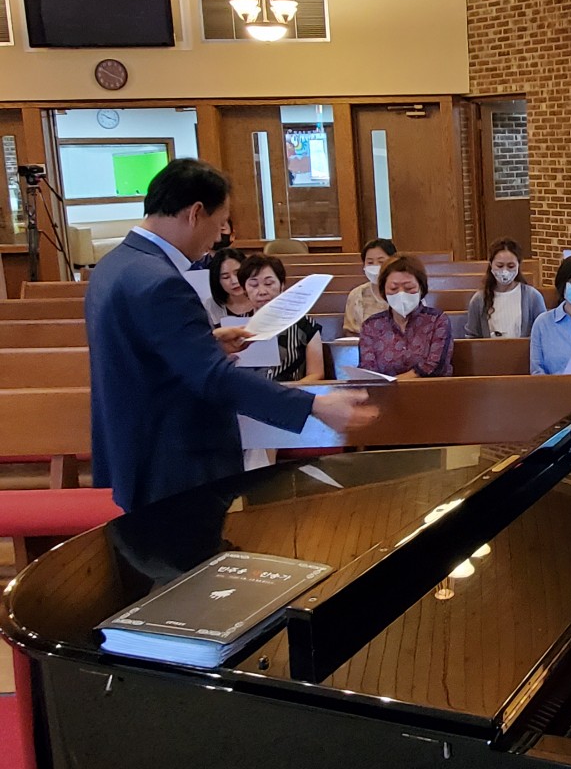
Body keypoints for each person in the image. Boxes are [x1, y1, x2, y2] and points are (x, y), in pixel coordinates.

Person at [84, 158, 375, 513]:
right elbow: (213, 378)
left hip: (136, 449)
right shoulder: (161, 282)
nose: (218, 238)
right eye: (219, 224)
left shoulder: (114, 264)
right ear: (195, 213)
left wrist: (206, 343)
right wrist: (316, 405)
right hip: (175, 460)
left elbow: (142, 353)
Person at [359, 254, 453, 378]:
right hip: (384, 390)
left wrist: (396, 381)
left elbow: (434, 366)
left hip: (429, 388)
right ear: (383, 290)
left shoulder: (437, 320)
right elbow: (368, 369)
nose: (401, 294)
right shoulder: (371, 326)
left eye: (409, 288)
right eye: (393, 289)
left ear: (421, 287)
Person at [237, 253, 324, 383]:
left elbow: (316, 374)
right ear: (244, 289)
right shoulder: (237, 326)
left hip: (292, 391)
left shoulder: (305, 324)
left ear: (282, 285)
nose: (262, 291)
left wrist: (287, 391)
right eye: (254, 285)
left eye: (269, 283)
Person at [464, 238, 547, 338]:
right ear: (491, 265)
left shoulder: (532, 296)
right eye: (500, 266)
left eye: (511, 266)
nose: (505, 271)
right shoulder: (478, 299)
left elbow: (544, 331)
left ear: (518, 266)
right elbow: (472, 336)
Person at [344, 237, 397, 336]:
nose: (375, 266)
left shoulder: (406, 292)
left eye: (381, 262)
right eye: (370, 263)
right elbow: (351, 332)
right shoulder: (357, 294)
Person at [202, 247, 254, 324]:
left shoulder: (265, 299)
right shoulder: (210, 306)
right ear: (217, 280)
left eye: (237, 273)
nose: (234, 281)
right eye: (226, 277)